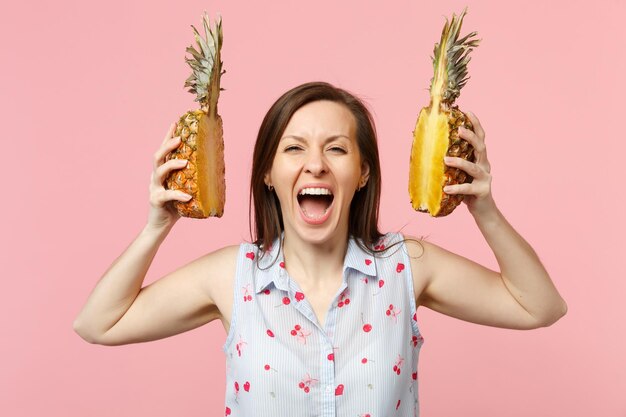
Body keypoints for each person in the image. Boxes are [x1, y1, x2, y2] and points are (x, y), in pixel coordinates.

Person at [73, 82, 567, 416]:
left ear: (364, 171)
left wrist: (484, 209)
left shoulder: (405, 267)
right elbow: (97, 323)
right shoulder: (235, 277)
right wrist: (157, 226)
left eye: (336, 148)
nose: (315, 165)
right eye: (293, 148)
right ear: (267, 174)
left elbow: (540, 307)